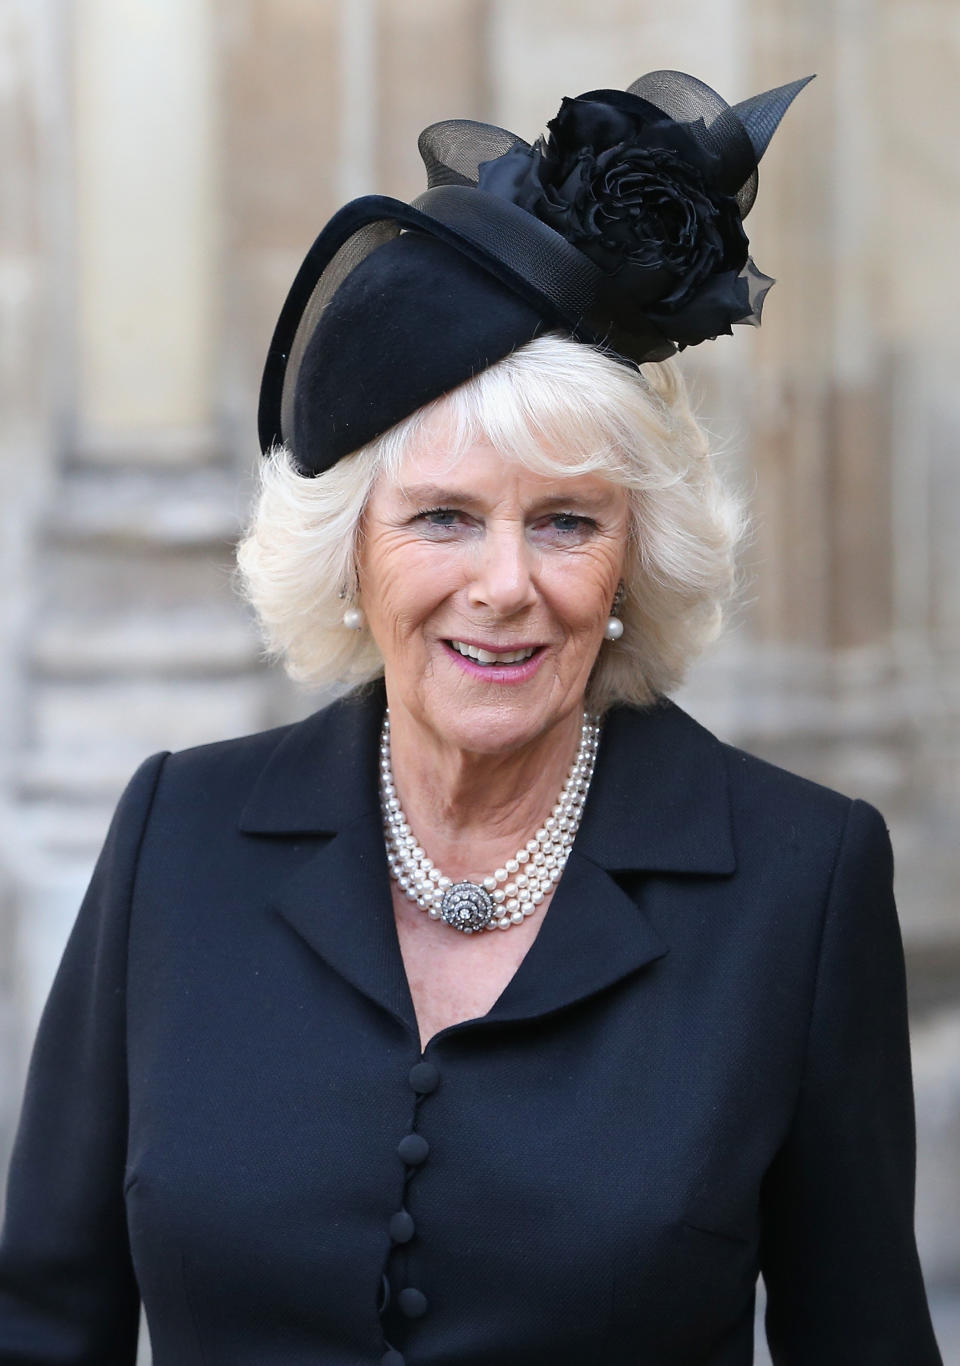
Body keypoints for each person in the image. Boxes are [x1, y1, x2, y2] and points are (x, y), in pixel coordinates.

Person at [0, 69, 942, 1366]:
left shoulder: (800, 878)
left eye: (565, 520)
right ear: (353, 553)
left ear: (630, 562)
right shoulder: (180, 834)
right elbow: (44, 1319)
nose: (504, 583)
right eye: (443, 516)